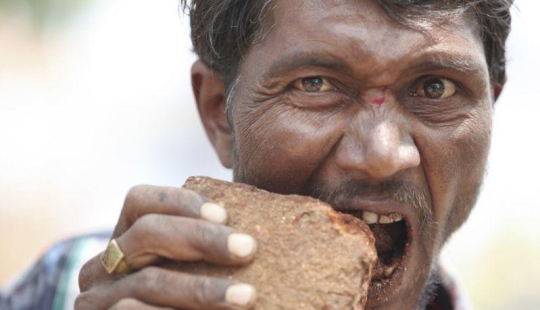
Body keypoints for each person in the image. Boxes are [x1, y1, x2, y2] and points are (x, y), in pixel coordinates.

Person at [0, 0, 514, 309]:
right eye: (315, 84)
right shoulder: (61, 288)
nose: (382, 155)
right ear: (218, 112)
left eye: (436, 88)